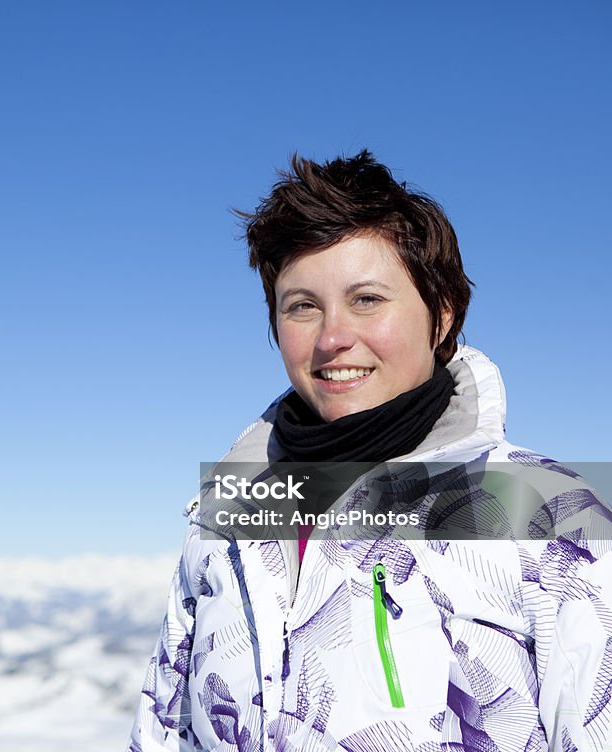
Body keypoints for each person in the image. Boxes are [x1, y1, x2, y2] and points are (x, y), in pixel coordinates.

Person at [129, 151, 612, 751]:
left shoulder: (551, 514)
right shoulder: (229, 513)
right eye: (302, 306)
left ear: (441, 315)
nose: (332, 338)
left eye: (367, 299)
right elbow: (163, 730)